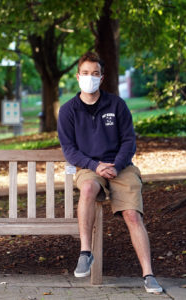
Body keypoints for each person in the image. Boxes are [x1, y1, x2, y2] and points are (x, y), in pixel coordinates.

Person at [57, 52, 163, 294]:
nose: (90, 78)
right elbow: (69, 150)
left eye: (95, 74)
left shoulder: (117, 105)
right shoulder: (68, 111)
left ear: (102, 78)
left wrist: (116, 164)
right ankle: (85, 253)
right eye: (85, 73)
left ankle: (148, 274)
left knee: (133, 215)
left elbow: (129, 141)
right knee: (87, 188)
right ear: (77, 76)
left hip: (120, 167)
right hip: (89, 167)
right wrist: (95, 166)